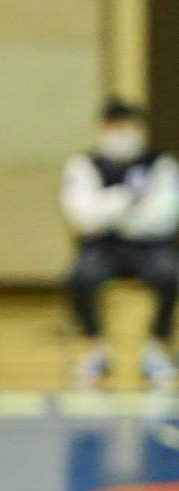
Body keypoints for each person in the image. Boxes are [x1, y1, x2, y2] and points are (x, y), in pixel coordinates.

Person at [60, 97, 179, 390]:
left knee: (170, 274)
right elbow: (82, 217)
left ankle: (156, 346)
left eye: (126, 125)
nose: (120, 133)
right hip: (103, 247)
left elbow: (166, 215)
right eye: (113, 126)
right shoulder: (84, 165)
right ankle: (96, 346)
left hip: (150, 246)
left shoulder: (161, 165)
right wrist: (127, 200)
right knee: (81, 276)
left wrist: (109, 211)